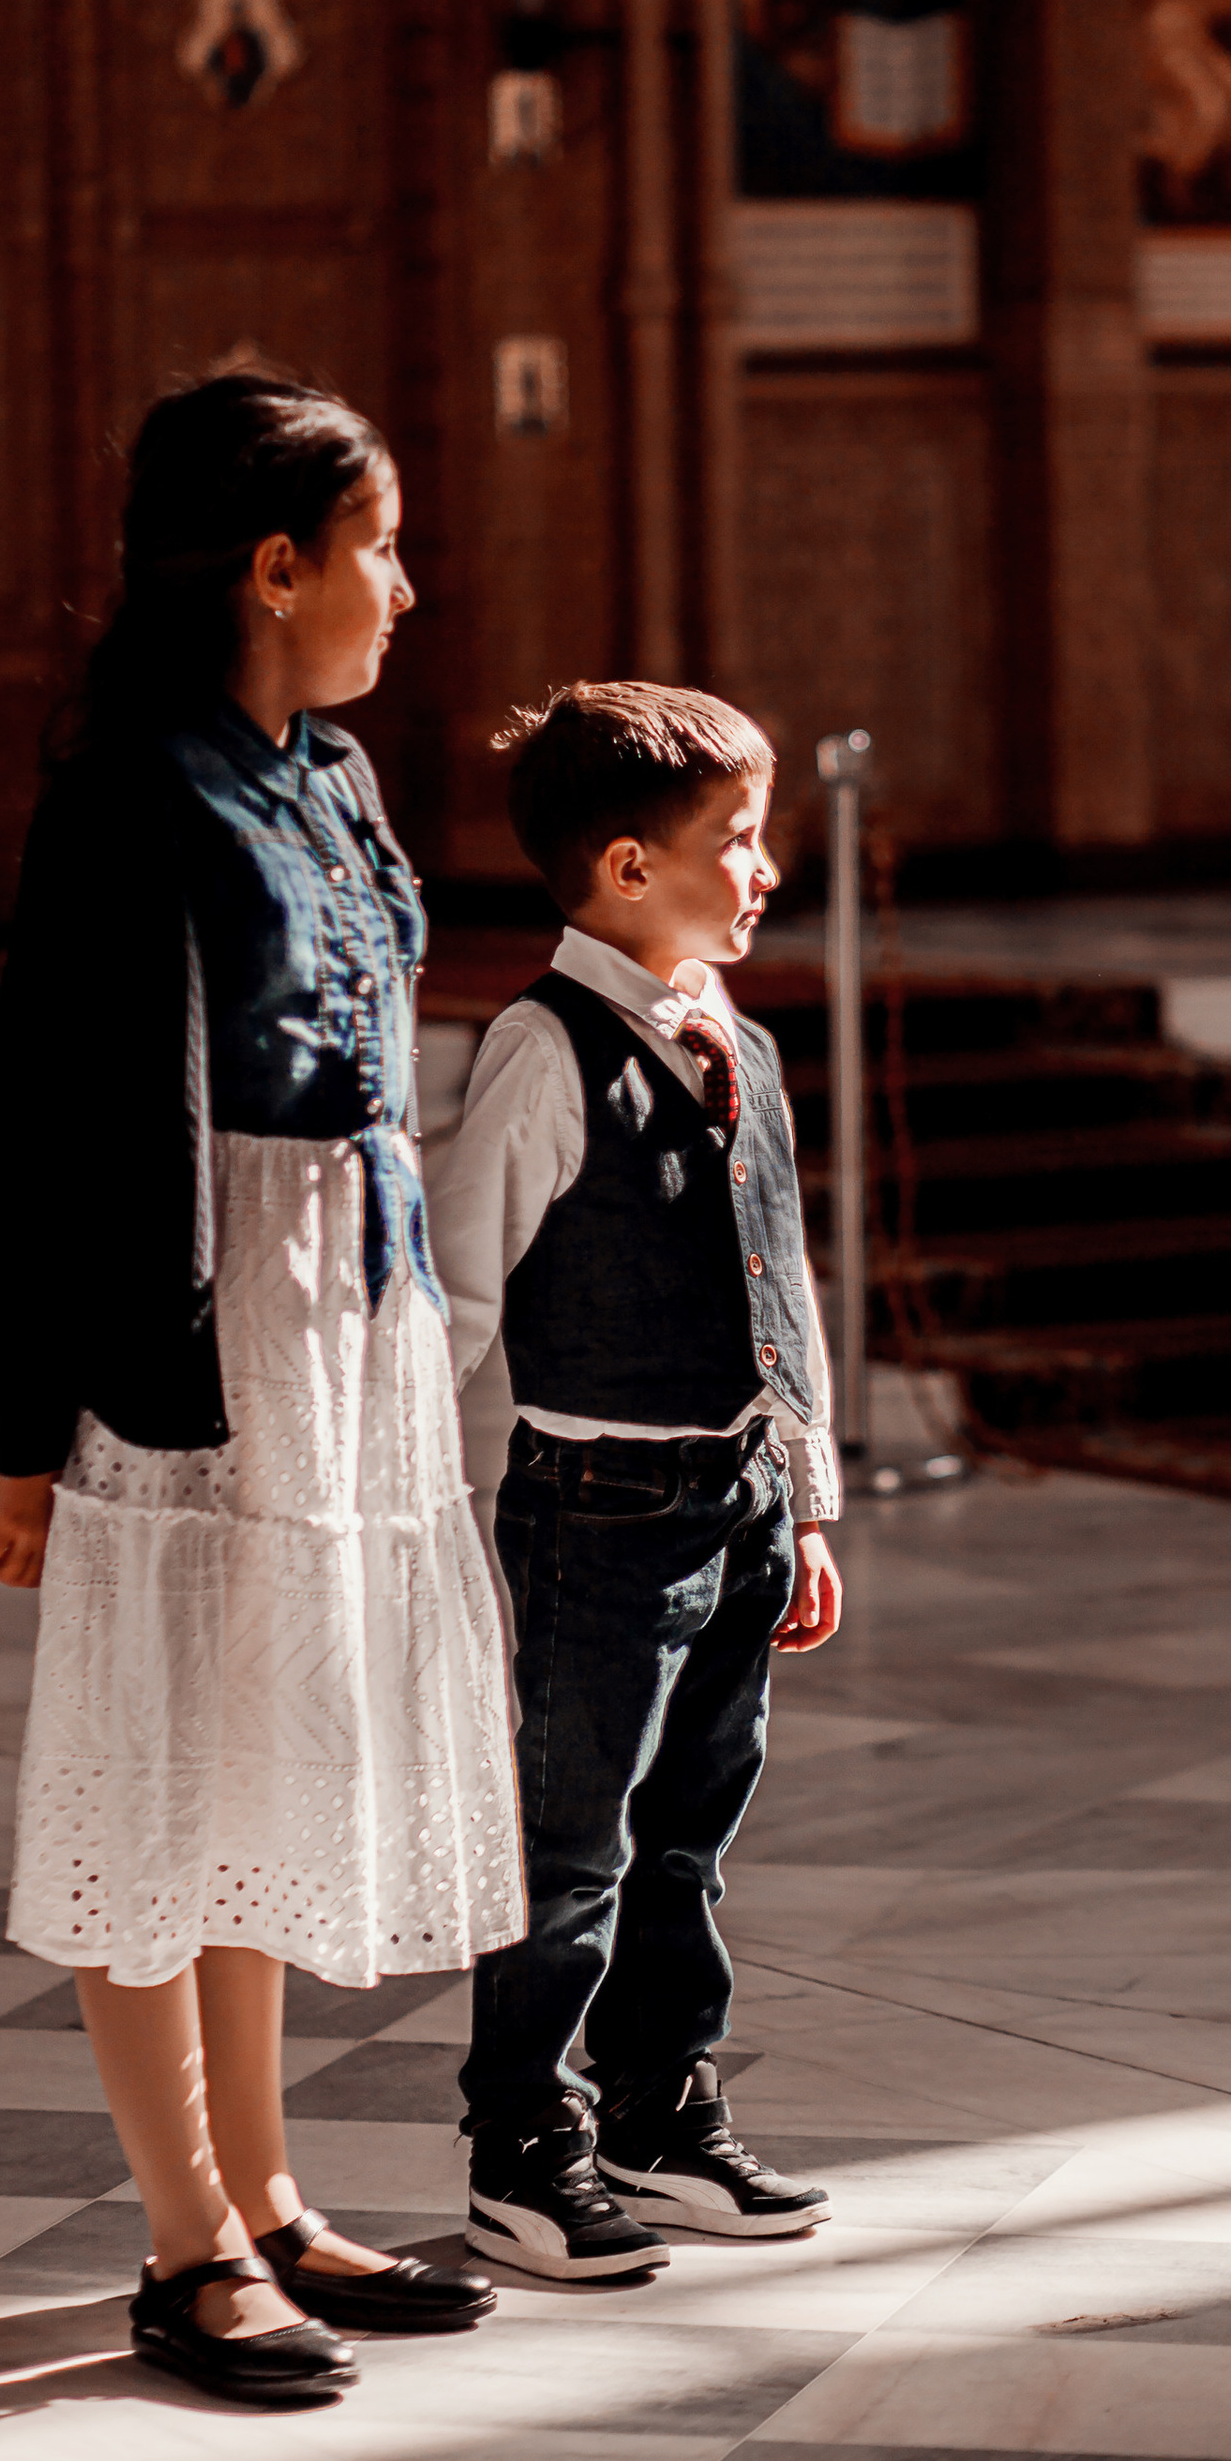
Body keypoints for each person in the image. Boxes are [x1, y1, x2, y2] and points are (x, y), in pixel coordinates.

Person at [0, 368, 522, 2403]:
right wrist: (33, 1426)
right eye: (376, 545)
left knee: (266, 1770)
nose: (406, 584)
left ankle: (273, 2199)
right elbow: (50, 1128)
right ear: (272, 568)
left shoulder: (337, 776)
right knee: (162, 1782)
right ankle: (181, 2239)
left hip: (343, 1329)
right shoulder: (134, 795)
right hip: (190, 1344)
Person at [431, 680, 844, 2281]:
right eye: (734, 843)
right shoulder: (542, 1050)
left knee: (689, 1839)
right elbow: (465, 1294)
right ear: (621, 868)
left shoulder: (741, 1041)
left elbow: (780, 1280)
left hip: (735, 1499)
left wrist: (804, 1497)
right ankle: (523, 2148)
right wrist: (420, 1501)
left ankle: (667, 2113)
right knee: (569, 1849)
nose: (763, 870)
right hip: (593, 1519)